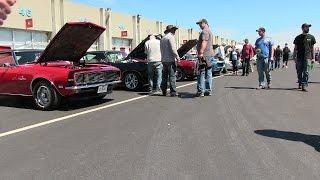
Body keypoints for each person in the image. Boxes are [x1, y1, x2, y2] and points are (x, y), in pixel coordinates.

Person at [293, 23, 316, 92]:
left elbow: (312, 48)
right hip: (299, 57)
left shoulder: (311, 37)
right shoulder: (298, 37)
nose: (308, 28)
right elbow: (295, 48)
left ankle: (304, 85)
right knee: (299, 71)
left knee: (306, 72)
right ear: (302, 28)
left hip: (307, 57)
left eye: (308, 27)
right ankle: (300, 82)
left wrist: (313, 58)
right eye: (306, 27)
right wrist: (294, 57)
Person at [196, 19, 215, 97]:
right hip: (209, 55)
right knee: (209, 72)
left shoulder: (205, 31)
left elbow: (204, 42)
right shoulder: (209, 31)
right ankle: (208, 90)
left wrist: (201, 52)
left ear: (205, 23)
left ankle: (201, 91)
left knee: (201, 73)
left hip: (205, 55)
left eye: (200, 23)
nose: (199, 25)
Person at [160, 25, 180, 97]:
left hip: (163, 60)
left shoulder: (163, 38)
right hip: (170, 60)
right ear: (171, 30)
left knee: (164, 77)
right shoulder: (170, 37)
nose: (174, 31)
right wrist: (177, 57)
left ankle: (164, 91)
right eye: (174, 30)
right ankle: (173, 92)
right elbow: (173, 49)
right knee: (172, 76)